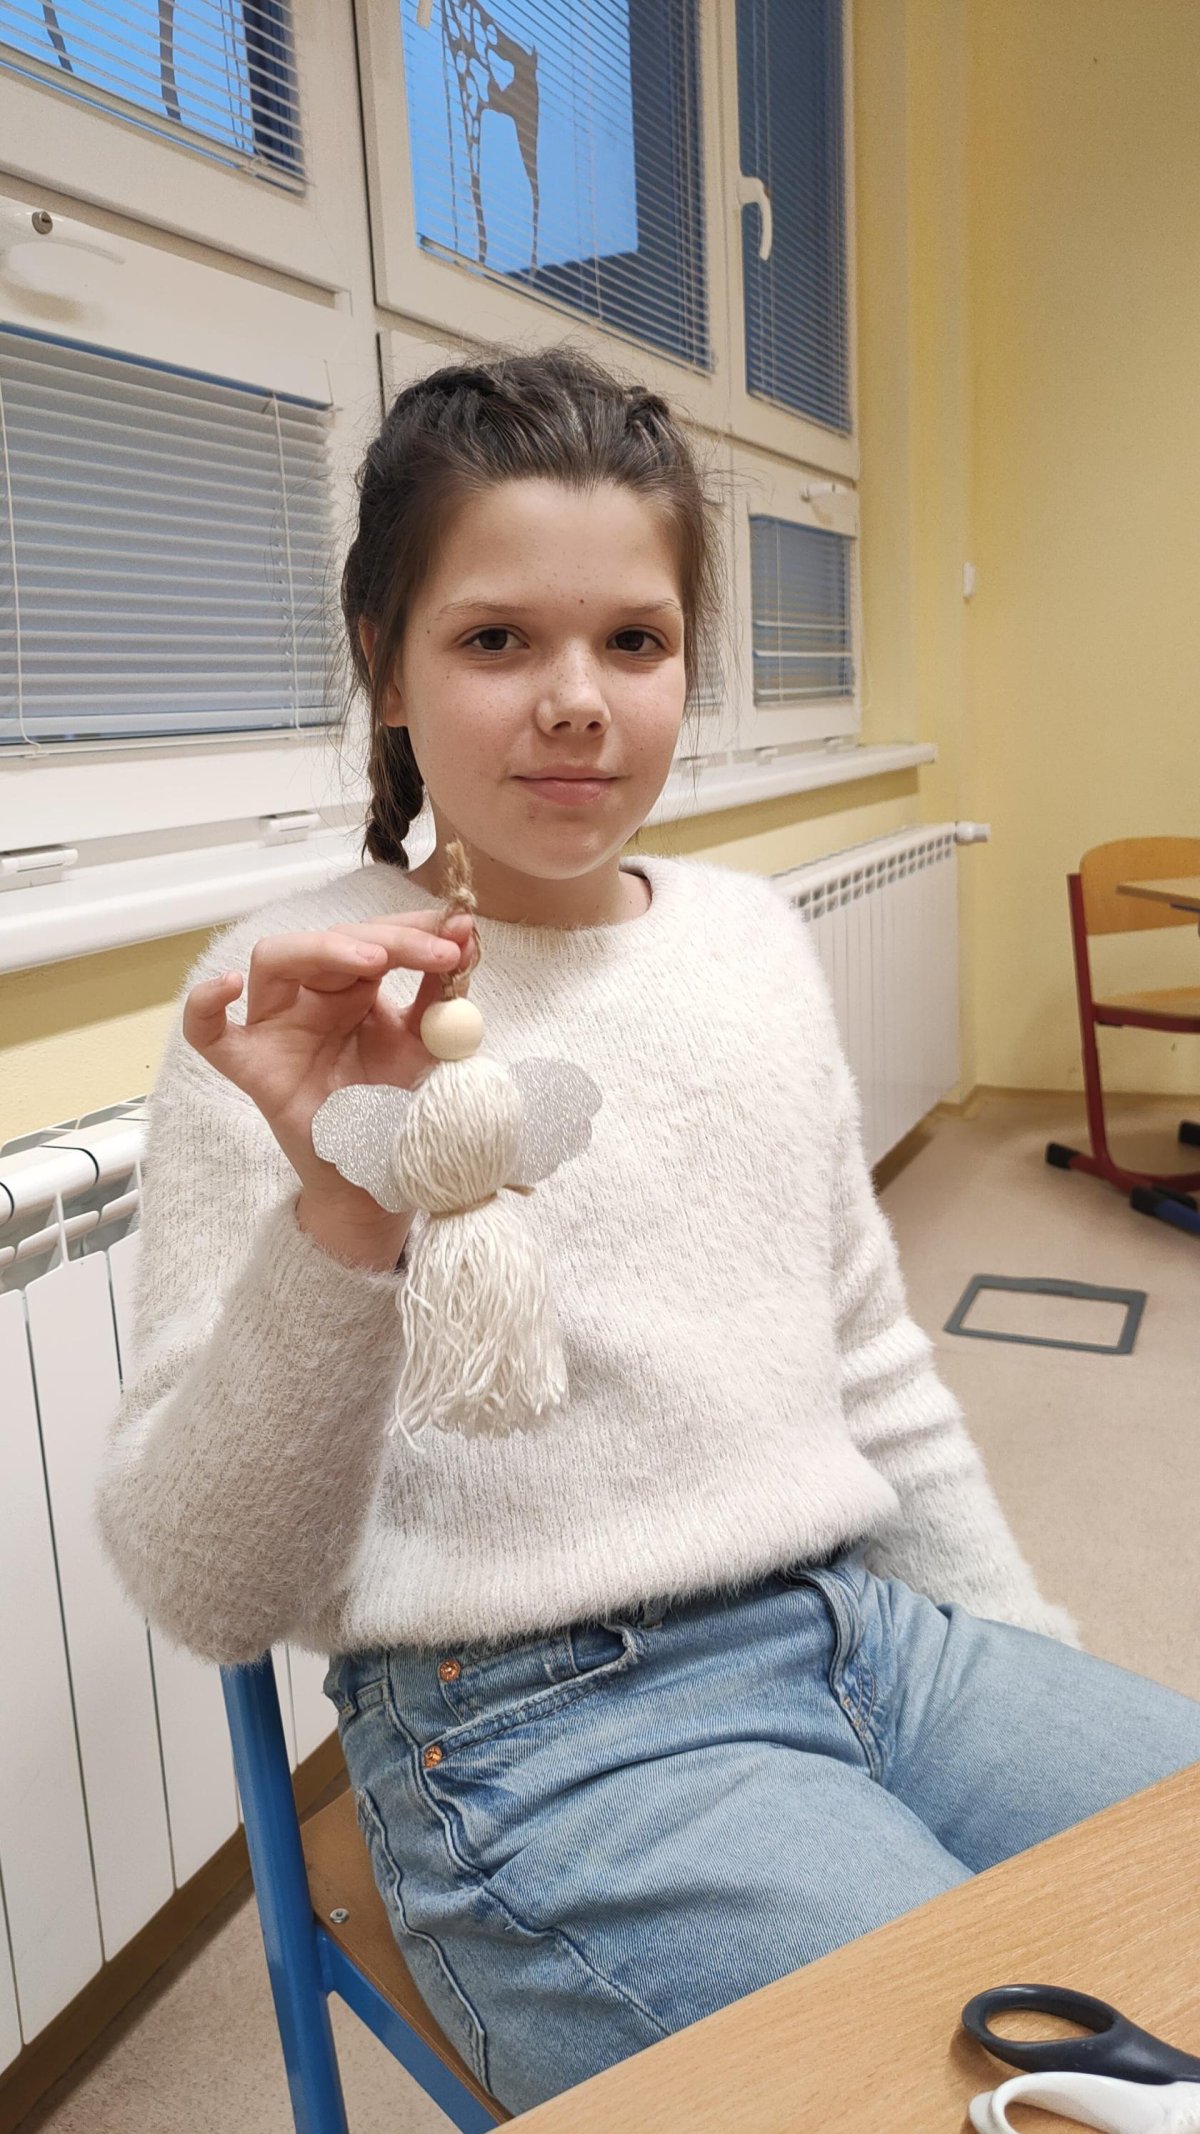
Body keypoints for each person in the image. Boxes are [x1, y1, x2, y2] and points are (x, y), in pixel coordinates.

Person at [94, 343, 1200, 2117]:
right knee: (985, 2101)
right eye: (495, 638)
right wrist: (342, 1212)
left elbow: (870, 1365)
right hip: (537, 1731)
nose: (576, 701)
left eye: (634, 638)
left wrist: (1020, 1677)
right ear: (384, 662)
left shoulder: (747, 943)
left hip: (864, 1630)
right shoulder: (283, 1004)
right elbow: (206, 1584)